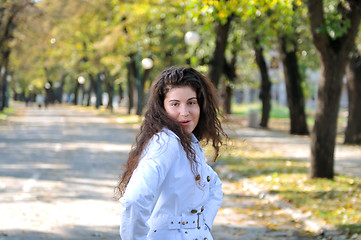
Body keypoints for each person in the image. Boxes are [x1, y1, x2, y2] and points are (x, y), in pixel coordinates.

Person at [116, 66, 227, 240]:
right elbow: (134, 200)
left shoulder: (187, 142)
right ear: (162, 108)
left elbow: (214, 185)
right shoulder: (167, 142)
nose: (185, 112)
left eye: (191, 102)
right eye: (175, 104)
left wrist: (201, 224)